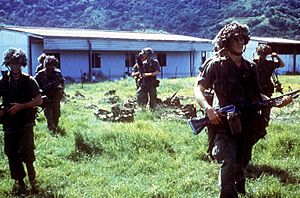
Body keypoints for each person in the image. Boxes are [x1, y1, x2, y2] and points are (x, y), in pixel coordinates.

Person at [194, 21, 291, 197]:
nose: (240, 42)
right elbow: (198, 90)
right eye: (236, 38)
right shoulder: (216, 65)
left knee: (242, 161)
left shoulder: (250, 67)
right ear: (227, 41)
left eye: (243, 39)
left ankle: (239, 189)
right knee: (229, 161)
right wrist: (208, 108)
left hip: (246, 123)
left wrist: (276, 102)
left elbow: (258, 96)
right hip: (223, 122)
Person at [0, 48, 42, 195]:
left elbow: (39, 100)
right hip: (9, 124)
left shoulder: (29, 80)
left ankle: (32, 180)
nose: (15, 67)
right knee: (12, 154)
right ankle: (20, 182)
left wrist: (21, 106)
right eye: (12, 64)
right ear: (8, 64)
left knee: (27, 152)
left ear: (22, 64)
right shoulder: (3, 82)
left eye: (18, 64)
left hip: (26, 123)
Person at [254, 44, 285, 126]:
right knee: (254, 109)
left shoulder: (270, 63)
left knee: (266, 109)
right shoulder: (254, 63)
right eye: (261, 54)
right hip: (256, 89)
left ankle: (263, 125)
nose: (263, 56)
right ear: (258, 53)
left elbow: (282, 65)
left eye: (264, 54)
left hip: (267, 89)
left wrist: (276, 56)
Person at [34, 56, 65, 132]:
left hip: (55, 98)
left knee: (56, 115)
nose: (50, 67)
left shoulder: (58, 73)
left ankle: (55, 127)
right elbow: (34, 85)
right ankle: (51, 130)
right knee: (49, 115)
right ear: (45, 65)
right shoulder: (40, 74)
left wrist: (60, 91)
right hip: (46, 98)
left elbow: (62, 83)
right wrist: (40, 93)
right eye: (48, 65)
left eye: (52, 65)